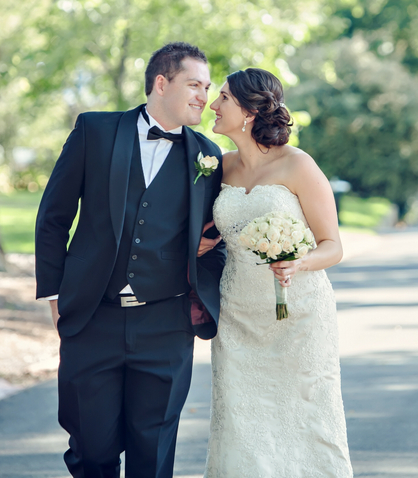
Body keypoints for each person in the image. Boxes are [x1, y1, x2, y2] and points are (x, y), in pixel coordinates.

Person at [34, 42, 227, 478]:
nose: (205, 97)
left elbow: (220, 239)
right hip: (92, 318)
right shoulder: (95, 132)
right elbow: (53, 217)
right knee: (92, 452)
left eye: (208, 87)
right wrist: (54, 294)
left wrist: (206, 257)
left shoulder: (209, 158)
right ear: (162, 83)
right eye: (194, 85)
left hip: (166, 325)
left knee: (153, 457)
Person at [204, 68, 353, 477]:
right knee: (241, 427)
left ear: (250, 112)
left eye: (223, 98)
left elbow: (333, 245)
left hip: (299, 318)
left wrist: (299, 262)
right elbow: (214, 229)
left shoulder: (298, 165)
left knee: (305, 421)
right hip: (237, 318)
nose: (213, 106)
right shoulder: (221, 167)